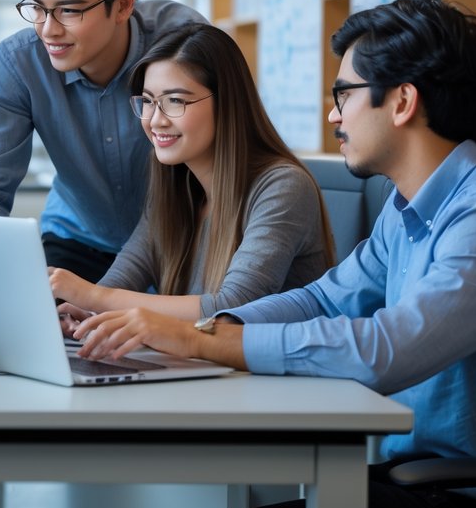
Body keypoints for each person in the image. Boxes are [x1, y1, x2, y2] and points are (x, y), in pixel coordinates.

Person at [72, 0, 476, 508]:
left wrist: (202, 343)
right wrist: (203, 330)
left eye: (344, 94)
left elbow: (385, 349)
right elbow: (323, 300)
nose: (334, 115)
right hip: (416, 478)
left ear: (403, 102)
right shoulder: (408, 205)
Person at [0, 0, 205, 282]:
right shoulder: (17, 63)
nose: (48, 30)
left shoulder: (184, 45)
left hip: (179, 238)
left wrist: (105, 295)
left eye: (68, 11)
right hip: (76, 239)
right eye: (37, 8)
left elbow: (208, 177)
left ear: (123, 4)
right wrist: (1, 274)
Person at [50, 23, 334, 336]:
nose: (155, 119)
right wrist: (86, 312)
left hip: (274, 380)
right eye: (147, 101)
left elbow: (232, 307)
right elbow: (122, 278)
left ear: (226, 103)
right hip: (203, 372)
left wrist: (95, 297)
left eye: (175, 101)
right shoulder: (177, 186)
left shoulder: (283, 187)